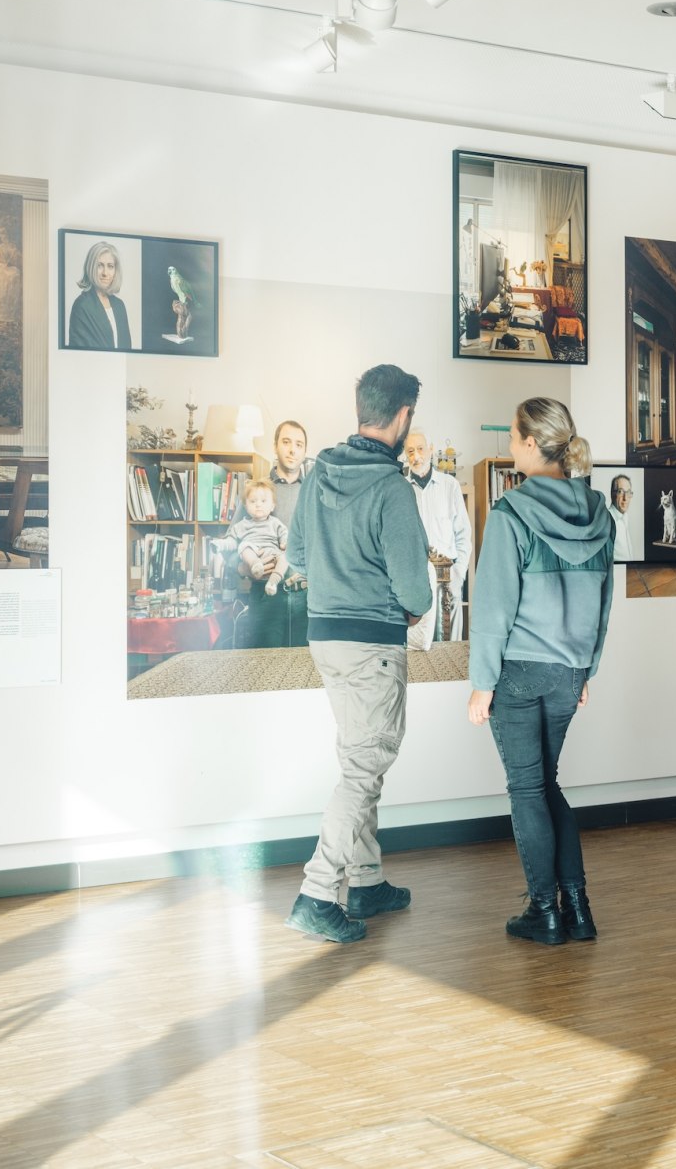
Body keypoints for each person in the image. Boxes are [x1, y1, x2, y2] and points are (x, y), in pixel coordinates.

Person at [285, 364, 433, 944]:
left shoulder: (320, 473)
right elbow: (417, 594)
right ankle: (318, 892)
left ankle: (366, 880)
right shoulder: (393, 489)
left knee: (358, 756)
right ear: (402, 417)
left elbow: (297, 556)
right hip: (372, 643)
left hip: (326, 639)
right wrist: (405, 608)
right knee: (365, 766)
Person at [468, 398, 615, 946]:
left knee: (527, 789)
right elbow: (604, 607)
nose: (509, 445)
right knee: (545, 785)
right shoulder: (601, 514)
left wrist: (482, 683)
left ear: (533, 444)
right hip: (568, 673)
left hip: (520, 672)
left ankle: (543, 911)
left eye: (512, 436)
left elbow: (493, 607)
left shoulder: (512, 513)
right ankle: (576, 908)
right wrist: (585, 673)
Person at [233, 420, 314, 647]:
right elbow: (231, 543)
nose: (292, 449)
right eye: (286, 442)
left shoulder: (313, 492)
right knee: (264, 670)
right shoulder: (258, 490)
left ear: (305, 451)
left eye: (299, 444)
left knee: (304, 672)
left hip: (306, 600)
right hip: (266, 597)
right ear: (275, 446)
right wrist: (243, 567)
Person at [403, 427, 472, 644]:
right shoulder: (400, 488)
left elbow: (463, 536)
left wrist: (458, 578)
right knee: (416, 650)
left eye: (421, 449)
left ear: (431, 450)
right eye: (410, 451)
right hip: (414, 581)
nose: (416, 456)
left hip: (448, 583)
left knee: (450, 650)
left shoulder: (449, 486)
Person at [211, 479, 288, 595]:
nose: (258, 505)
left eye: (263, 501)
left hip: (272, 553)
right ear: (246, 506)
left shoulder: (275, 523)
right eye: (253, 501)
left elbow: (284, 533)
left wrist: (284, 542)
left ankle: (273, 582)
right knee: (244, 547)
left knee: (285, 557)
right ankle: (255, 565)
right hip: (252, 555)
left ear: (272, 506)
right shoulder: (242, 525)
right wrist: (220, 544)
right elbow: (232, 541)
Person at [67, 241, 132, 350]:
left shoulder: (120, 305)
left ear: (116, 271)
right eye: (99, 266)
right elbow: (78, 352)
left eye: (110, 266)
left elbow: (128, 350)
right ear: (91, 267)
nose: (105, 273)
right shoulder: (82, 305)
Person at [608, 472, 634, 561]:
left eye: (628, 492)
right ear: (612, 494)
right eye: (620, 492)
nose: (625, 498)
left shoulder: (625, 516)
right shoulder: (607, 520)